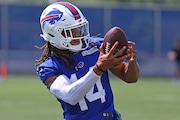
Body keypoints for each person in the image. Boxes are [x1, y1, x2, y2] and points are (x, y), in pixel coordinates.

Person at [35, 1, 139, 120]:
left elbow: (130, 78)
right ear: (55, 34)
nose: (78, 34)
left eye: (79, 28)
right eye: (71, 31)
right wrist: (98, 69)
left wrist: (132, 62)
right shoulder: (49, 66)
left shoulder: (96, 47)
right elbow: (70, 96)